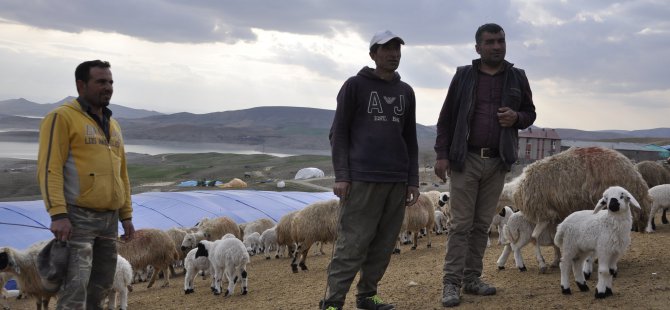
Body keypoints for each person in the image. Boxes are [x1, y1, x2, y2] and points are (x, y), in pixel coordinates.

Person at [434, 23, 536, 307]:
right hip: (465, 159)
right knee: (460, 225)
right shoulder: (464, 76)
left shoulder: (517, 77)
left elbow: (530, 113)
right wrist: (442, 155)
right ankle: (451, 284)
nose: (496, 46)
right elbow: (446, 118)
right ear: (477, 47)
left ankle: (471, 279)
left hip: (497, 161)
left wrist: (516, 117)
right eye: (490, 42)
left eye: (501, 41)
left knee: (482, 225)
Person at [322, 30, 420, 310]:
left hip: (396, 180)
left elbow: (410, 139)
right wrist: (342, 175)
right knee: (352, 243)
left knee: (383, 243)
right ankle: (332, 302)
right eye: (386, 49)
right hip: (362, 179)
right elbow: (338, 133)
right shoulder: (354, 86)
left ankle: (367, 296)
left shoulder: (405, 92)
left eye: (397, 49)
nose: (393, 54)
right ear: (373, 54)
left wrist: (412, 180)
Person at [37, 60, 135, 309]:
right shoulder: (62, 117)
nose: (108, 87)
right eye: (101, 81)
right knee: (75, 286)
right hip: (78, 218)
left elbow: (122, 173)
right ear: (81, 85)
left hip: (109, 220)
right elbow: (50, 167)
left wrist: (126, 216)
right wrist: (58, 214)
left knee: (100, 285)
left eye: (110, 82)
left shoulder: (113, 125)